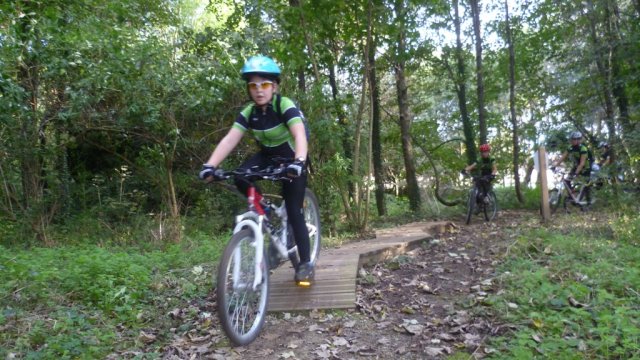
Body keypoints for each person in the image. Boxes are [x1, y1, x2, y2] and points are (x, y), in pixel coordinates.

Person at [198, 55, 314, 285]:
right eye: (253, 85)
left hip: (292, 157)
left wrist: (299, 162)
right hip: (268, 156)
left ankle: (306, 264)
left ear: (274, 86)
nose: (259, 90)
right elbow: (230, 139)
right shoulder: (249, 112)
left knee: (294, 211)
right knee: (241, 176)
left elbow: (299, 135)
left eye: (264, 84)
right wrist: (210, 166)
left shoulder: (284, 105)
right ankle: (267, 212)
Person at [552, 131, 592, 204]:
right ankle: (572, 197)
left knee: (586, 185)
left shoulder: (583, 149)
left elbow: (582, 163)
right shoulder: (570, 147)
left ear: (578, 140)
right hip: (576, 166)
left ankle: (588, 202)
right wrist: (555, 165)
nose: (571, 141)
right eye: (571, 139)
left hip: (586, 167)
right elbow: (563, 157)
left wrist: (576, 172)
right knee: (567, 181)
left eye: (573, 139)